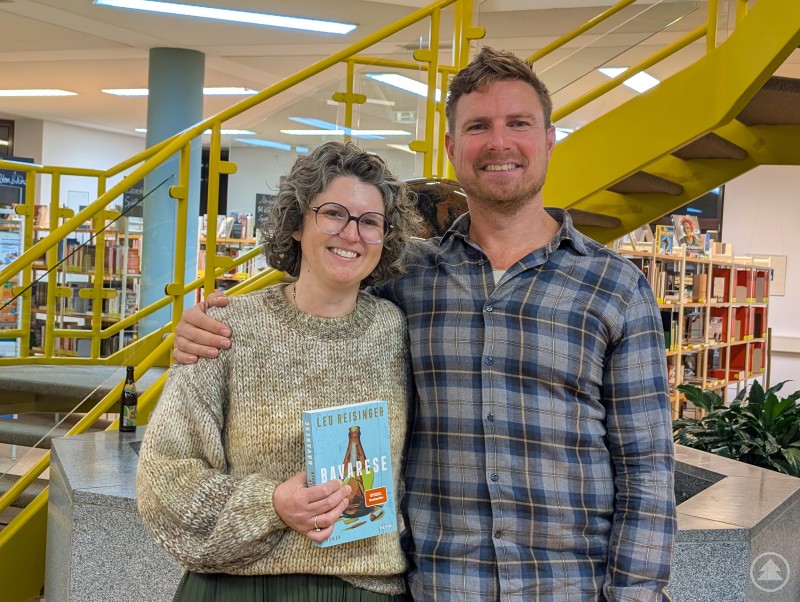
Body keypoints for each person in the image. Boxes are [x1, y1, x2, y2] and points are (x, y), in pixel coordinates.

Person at [173, 47, 677, 601]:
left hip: (568, 588)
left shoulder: (616, 288)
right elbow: (317, 287)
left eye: (519, 124)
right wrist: (214, 327)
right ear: (452, 146)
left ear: (550, 139)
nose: (499, 143)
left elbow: (647, 470)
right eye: (478, 126)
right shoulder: (405, 277)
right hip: (440, 586)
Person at [137, 140, 422, 601]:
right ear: (296, 224)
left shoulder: (397, 331)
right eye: (333, 213)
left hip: (367, 587)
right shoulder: (227, 329)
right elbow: (163, 479)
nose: (351, 234)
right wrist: (270, 505)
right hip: (239, 586)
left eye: (370, 222)